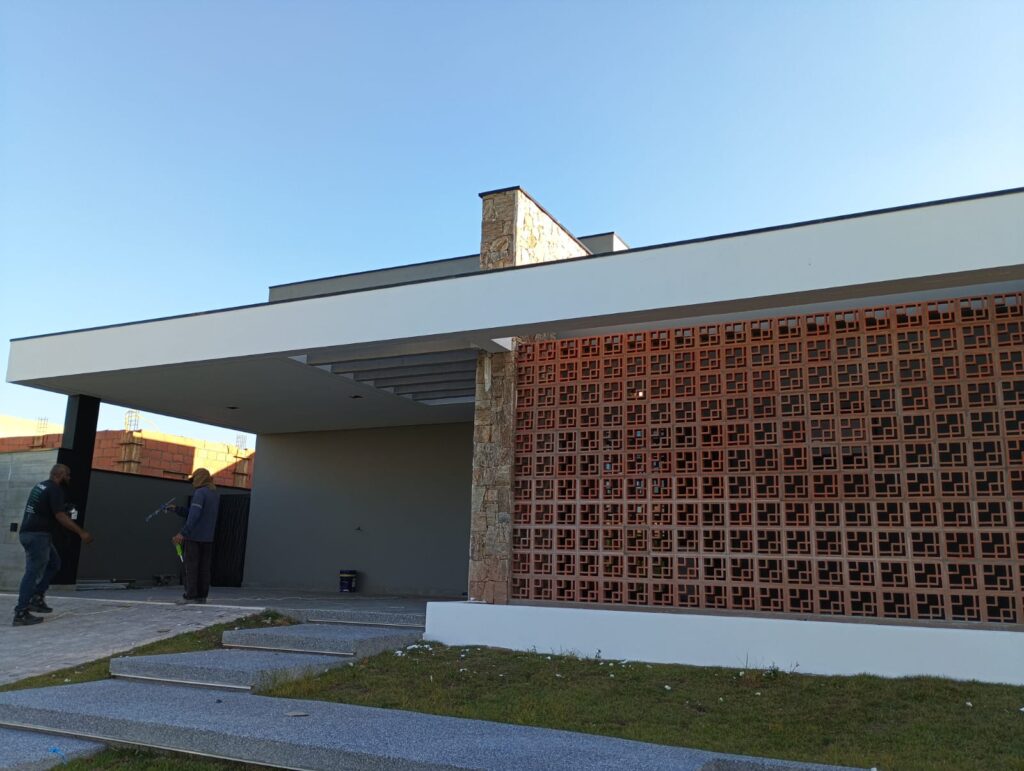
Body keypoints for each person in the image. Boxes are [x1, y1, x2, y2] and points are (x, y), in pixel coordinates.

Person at [13, 463, 94, 627]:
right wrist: (81, 533)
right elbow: (60, 517)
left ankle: (36, 598)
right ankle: (21, 613)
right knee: (32, 573)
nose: (69, 478)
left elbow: (44, 509)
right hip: (38, 536)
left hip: (30, 533)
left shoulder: (41, 486)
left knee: (54, 563)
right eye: (68, 475)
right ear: (61, 475)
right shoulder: (54, 489)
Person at [168, 468, 219, 604]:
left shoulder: (199, 493)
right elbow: (196, 512)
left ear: (199, 478)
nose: (192, 482)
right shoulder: (213, 494)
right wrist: (177, 509)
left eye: (194, 479)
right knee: (204, 568)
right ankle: (202, 596)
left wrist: (182, 533)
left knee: (190, 567)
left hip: (194, 537)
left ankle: (190, 596)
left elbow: (194, 516)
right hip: (208, 538)